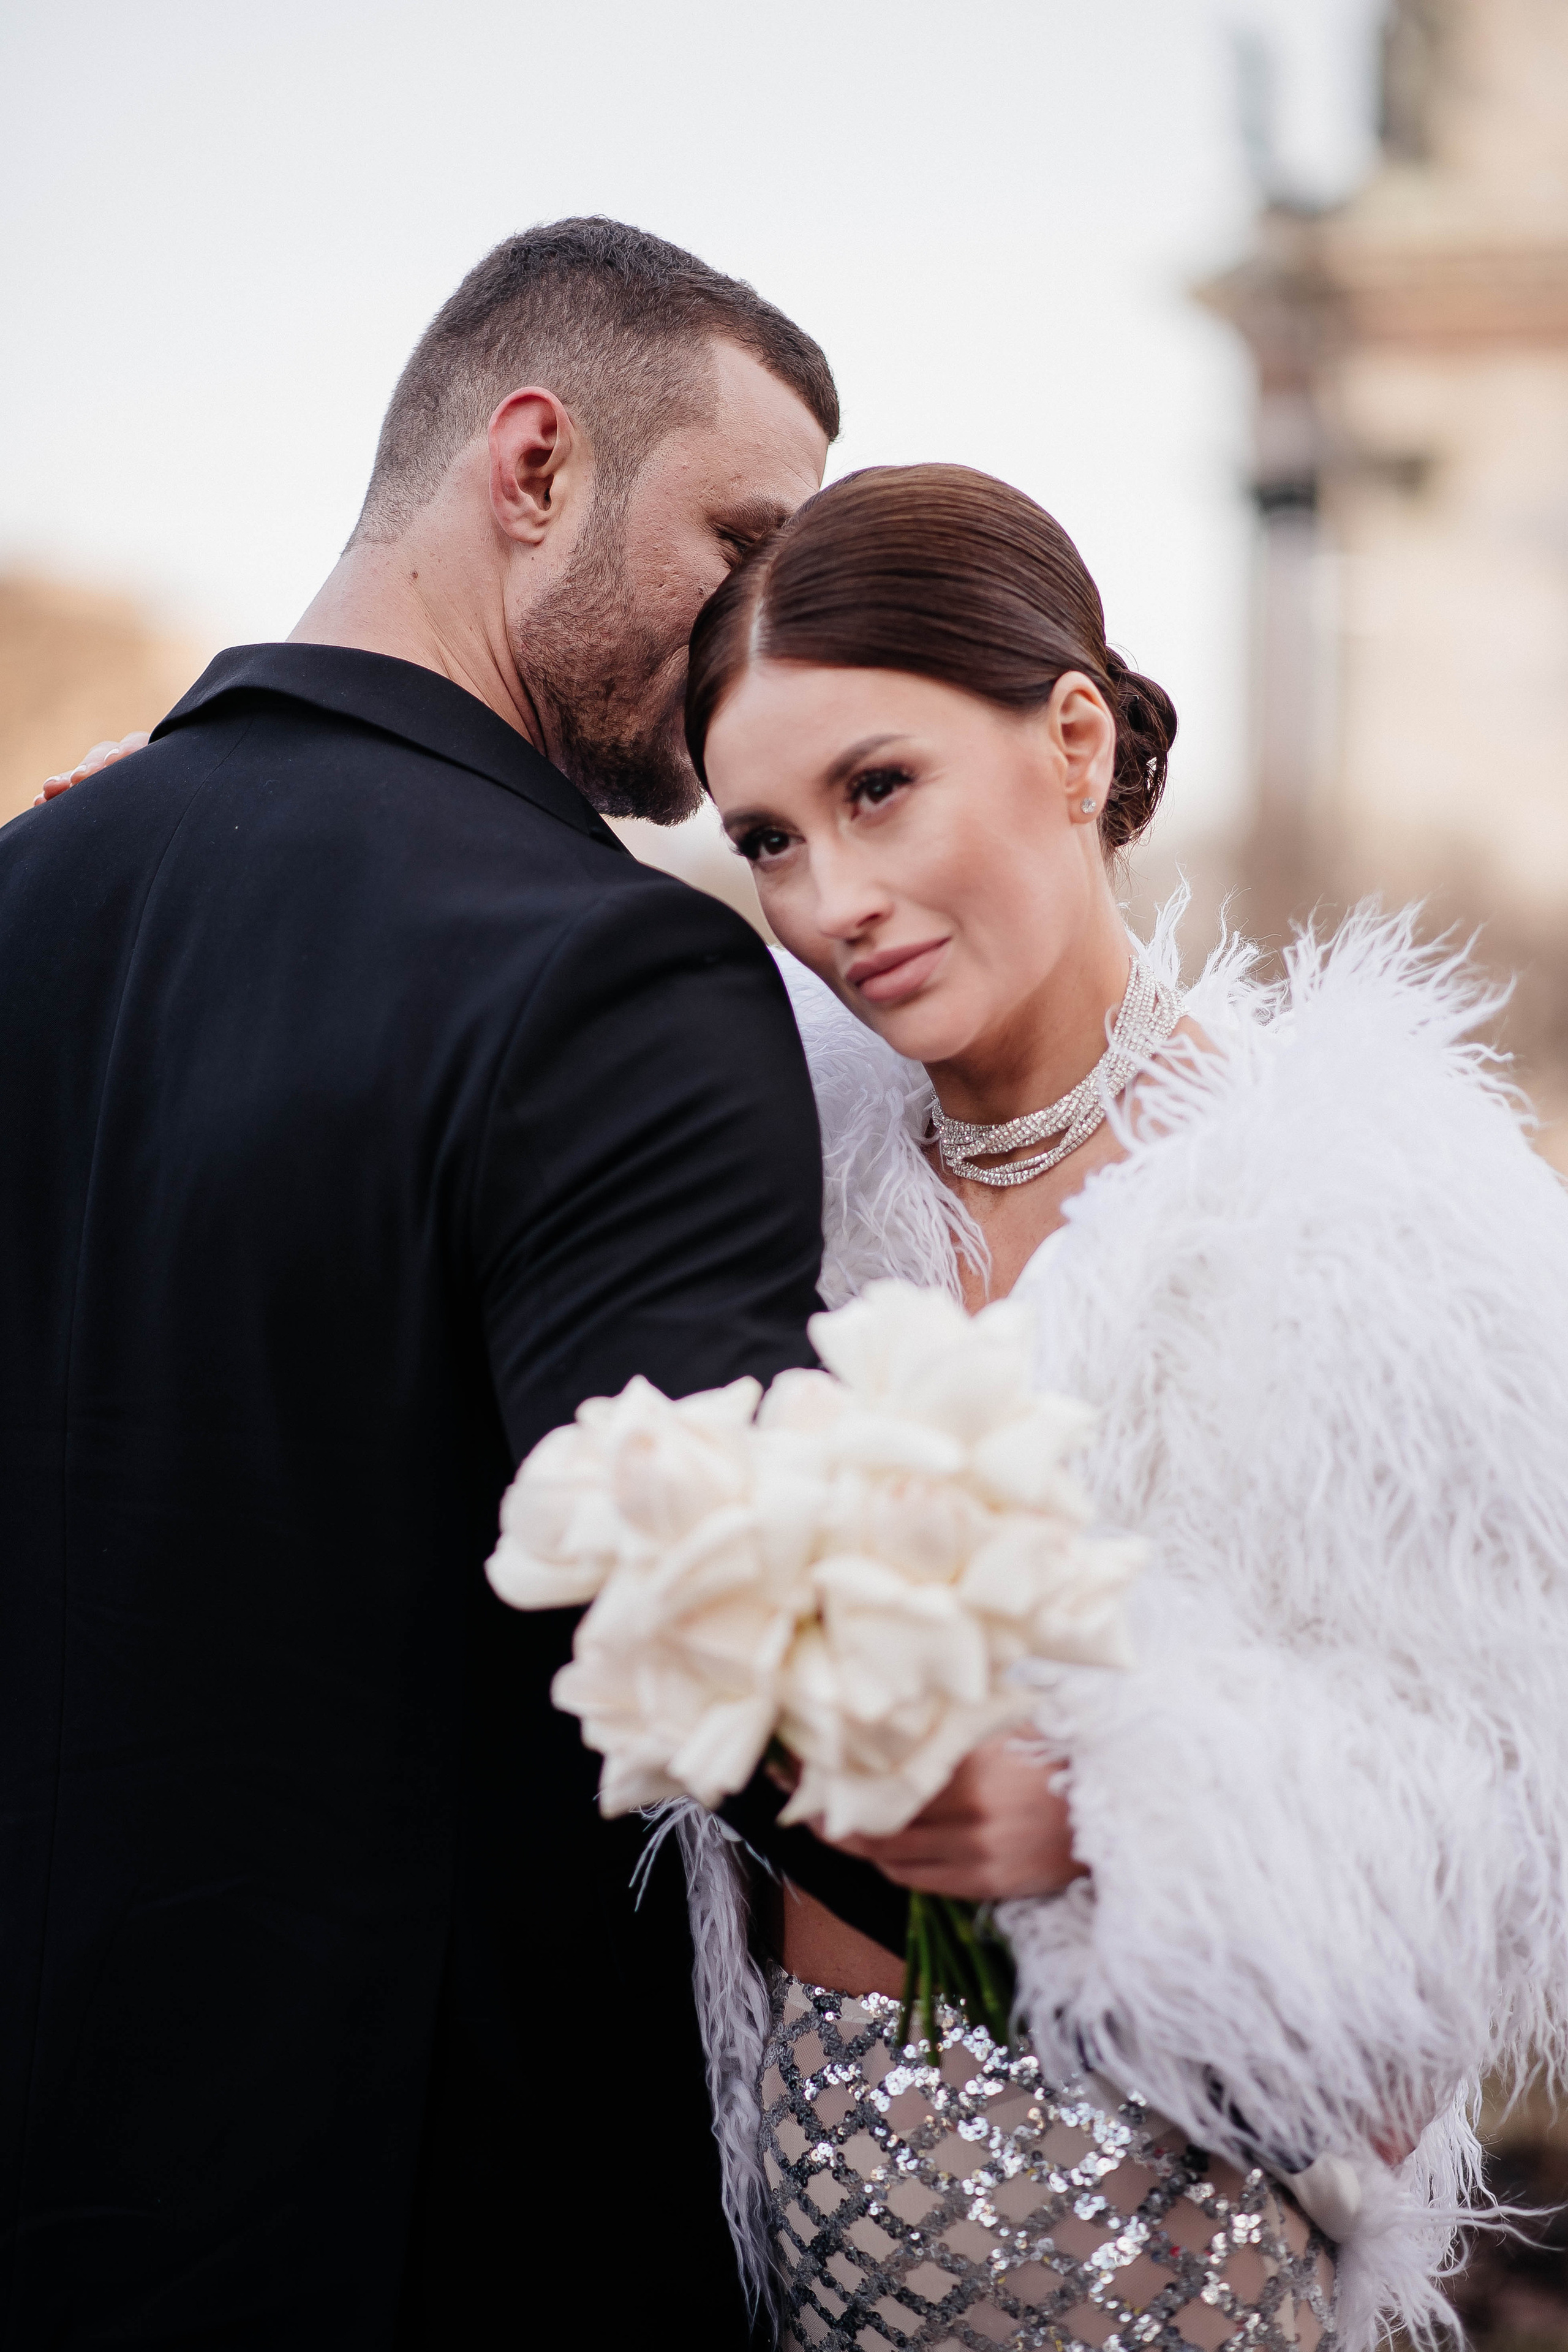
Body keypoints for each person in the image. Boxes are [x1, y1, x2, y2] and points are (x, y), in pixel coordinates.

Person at [0, 216, 892, 2348]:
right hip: (427, 2233)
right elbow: (733, 1667)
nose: (756, 629)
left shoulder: (32, 890)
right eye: (740, 537)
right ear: (533, 466)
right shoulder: (618, 969)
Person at [650, 463, 1568, 2352]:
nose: (837, 900)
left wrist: (1112, 1808)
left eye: (877, 788)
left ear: (1073, 740)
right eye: (770, 839)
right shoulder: (764, 1164)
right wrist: (210, 832)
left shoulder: (1366, 1198)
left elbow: (1518, 1771)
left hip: (1176, 2227)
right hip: (781, 2208)